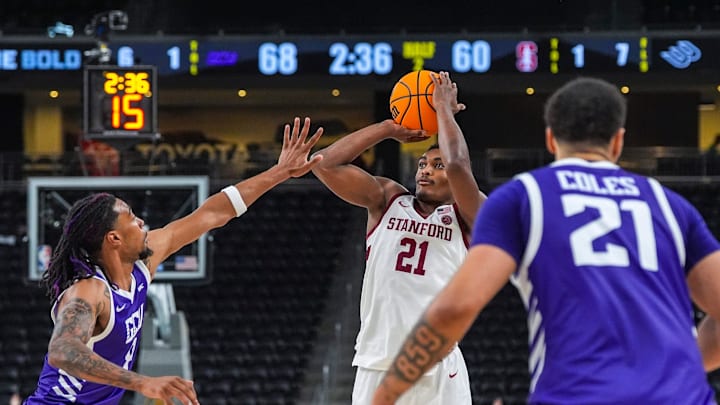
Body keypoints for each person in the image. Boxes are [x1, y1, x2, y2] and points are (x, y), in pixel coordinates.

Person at [371, 77, 720, 405]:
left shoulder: (527, 198)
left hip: (579, 392)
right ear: (618, 142)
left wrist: (388, 392)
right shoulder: (671, 206)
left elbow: (455, 309)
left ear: (551, 140)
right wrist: (679, 366)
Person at [23, 117, 324, 405]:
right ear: (113, 239)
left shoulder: (142, 266)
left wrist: (280, 172)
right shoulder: (89, 291)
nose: (141, 221)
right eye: (131, 217)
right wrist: (143, 382)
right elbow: (62, 350)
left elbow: (213, 213)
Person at [311, 71, 487, 404]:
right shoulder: (389, 199)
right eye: (423, 163)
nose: (426, 170)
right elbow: (323, 165)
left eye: (436, 165)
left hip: (438, 367)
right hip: (376, 362)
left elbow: (459, 165)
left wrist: (443, 110)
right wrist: (390, 128)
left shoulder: (470, 215)